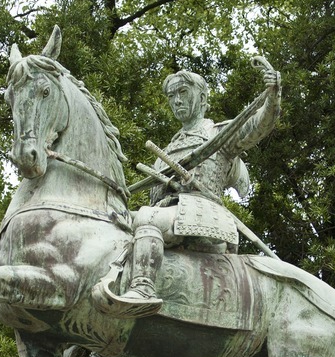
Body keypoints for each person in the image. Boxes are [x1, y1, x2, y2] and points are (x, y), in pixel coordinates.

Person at [109, 64, 282, 316]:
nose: (176, 101)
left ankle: (143, 289)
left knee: (146, 217)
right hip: (168, 213)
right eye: (171, 96)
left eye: (183, 92)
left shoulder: (217, 133)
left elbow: (258, 125)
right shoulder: (167, 150)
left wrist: (272, 94)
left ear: (201, 97)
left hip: (202, 213)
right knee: (115, 222)